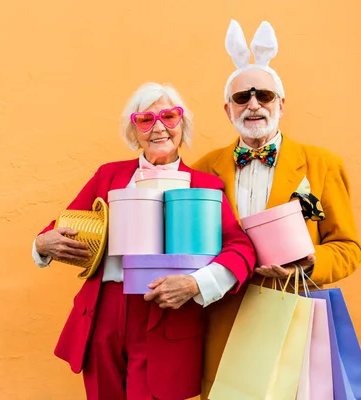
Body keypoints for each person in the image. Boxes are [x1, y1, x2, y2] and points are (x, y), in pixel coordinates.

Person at [32, 82, 256, 400]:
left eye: (168, 116)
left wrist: (196, 284)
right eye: (145, 120)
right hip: (103, 313)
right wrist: (41, 245)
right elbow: (67, 224)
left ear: (183, 124)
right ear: (134, 130)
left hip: (167, 314)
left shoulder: (205, 185)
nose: (159, 127)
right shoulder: (108, 176)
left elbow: (241, 249)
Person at [191, 20, 361, 398]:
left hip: (294, 318)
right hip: (224, 320)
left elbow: (348, 248)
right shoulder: (203, 168)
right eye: (242, 98)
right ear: (228, 109)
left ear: (281, 105)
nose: (253, 104)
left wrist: (308, 264)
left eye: (264, 95)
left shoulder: (322, 164)